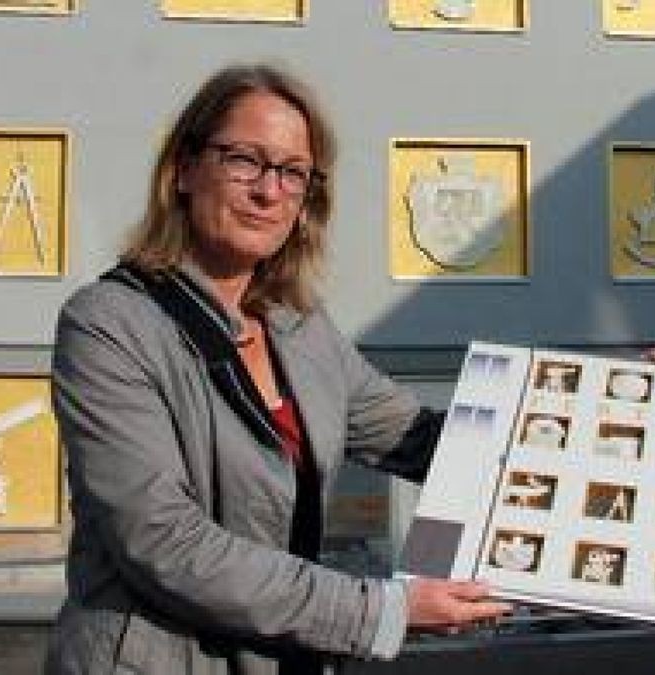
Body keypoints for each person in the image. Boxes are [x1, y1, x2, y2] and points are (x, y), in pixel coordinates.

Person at [44, 63, 510, 674]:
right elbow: (163, 541)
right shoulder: (107, 325)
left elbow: (427, 441)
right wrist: (380, 612)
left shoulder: (300, 328)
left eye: (293, 172)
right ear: (183, 169)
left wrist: (634, 413)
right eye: (245, 160)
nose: (269, 191)